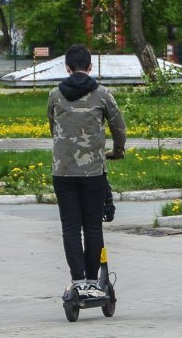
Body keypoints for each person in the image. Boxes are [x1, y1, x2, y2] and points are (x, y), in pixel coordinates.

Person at [47, 44, 127, 300]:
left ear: (67, 68)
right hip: (93, 171)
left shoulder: (55, 95)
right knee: (93, 227)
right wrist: (117, 150)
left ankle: (78, 281)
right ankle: (93, 282)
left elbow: (53, 127)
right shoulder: (102, 94)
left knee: (70, 226)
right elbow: (119, 127)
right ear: (90, 67)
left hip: (63, 171)